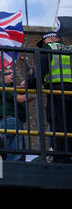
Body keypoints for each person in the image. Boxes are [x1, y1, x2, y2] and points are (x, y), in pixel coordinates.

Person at [27, 31, 72, 163]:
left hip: (58, 92)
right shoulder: (70, 49)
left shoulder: (49, 49)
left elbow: (39, 73)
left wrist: (30, 84)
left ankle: (61, 157)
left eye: (44, 42)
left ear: (52, 38)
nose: (43, 45)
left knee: (59, 125)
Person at [0, 68, 32, 161]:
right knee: (15, 152)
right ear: (3, 77)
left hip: (12, 121)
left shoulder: (12, 88)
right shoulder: (4, 86)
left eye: (13, 73)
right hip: (10, 120)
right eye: (8, 73)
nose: (12, 75)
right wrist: (34, 95)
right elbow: (21, 99)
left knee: (15, 149)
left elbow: (26, 84)